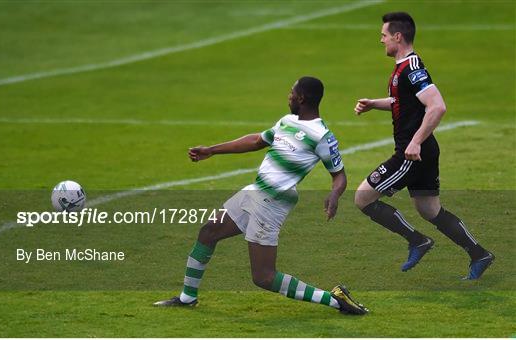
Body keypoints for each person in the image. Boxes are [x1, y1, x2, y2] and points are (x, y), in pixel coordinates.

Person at [154, 76, 368, 314]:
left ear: (302, 98)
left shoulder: (322, 136)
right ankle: (187, 297)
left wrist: (335, 195)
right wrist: (212, 151)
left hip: (273, 201)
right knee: (208, 232)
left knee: (264, 277)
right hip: (256, 190)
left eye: (291, 92)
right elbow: (257, 141)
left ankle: (334, 299)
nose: (288, 96)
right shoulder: (287, 121)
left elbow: (339, 176)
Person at [353, 12, 494, 280]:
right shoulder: (404, 67)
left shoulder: (412, 68)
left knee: (362, 198)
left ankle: (417, 240)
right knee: (429, 209)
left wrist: (415, 142)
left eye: (384, 35)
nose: (380, 40)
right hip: (424, 150)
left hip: (411, 152)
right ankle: (479, 254)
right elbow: (405, 101)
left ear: (398, 36)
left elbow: (437, 106)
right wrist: (375, 103)